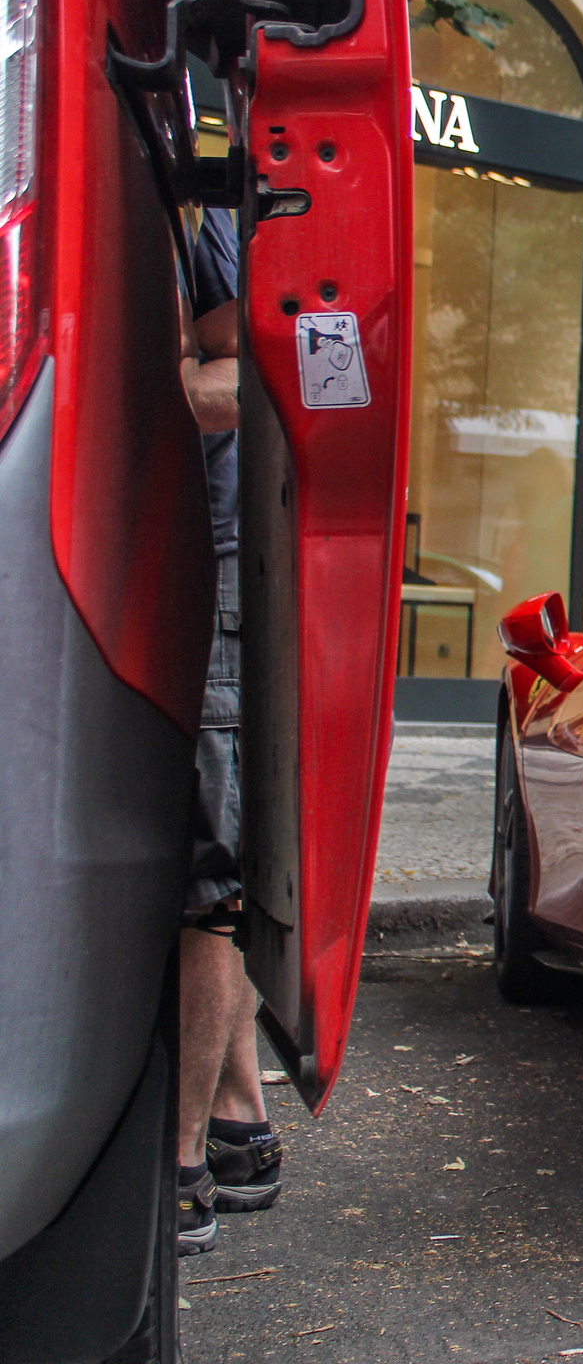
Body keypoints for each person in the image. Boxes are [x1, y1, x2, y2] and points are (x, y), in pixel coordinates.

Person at [174, 206, 282, 1256]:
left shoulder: (198, 214)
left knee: (224, 867)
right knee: (215, 870)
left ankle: (211, 1142)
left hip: (226, 555)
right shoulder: (177, 210)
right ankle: (214, 1142)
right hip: (192, 558)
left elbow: (230, 366)